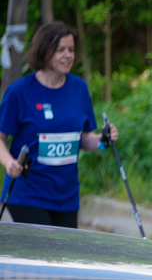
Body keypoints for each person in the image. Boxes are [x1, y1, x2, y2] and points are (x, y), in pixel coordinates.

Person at [0, 21, 118, 227]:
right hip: (29, 194)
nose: (68, 55)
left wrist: (102, 139)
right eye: (60, 50)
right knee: (42, 253)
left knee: (63, 257)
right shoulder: (20, 92)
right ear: (44, 51)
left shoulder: (78, 88)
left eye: (71, 49)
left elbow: (84, 139)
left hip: (66, 197)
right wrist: (9, 163)